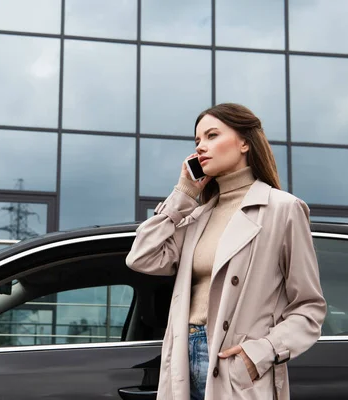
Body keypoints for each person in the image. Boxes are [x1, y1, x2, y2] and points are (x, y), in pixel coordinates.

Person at [126, 103, 326, 400]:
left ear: (245, 142)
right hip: (183, 357)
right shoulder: (196, 215)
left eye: (212, 136)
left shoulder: (282, 209)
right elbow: (141, 256)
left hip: (234, 364)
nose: (201, 148)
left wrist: (261, 351)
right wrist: (183, 194)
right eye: (197, 141)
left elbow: (309, 307)